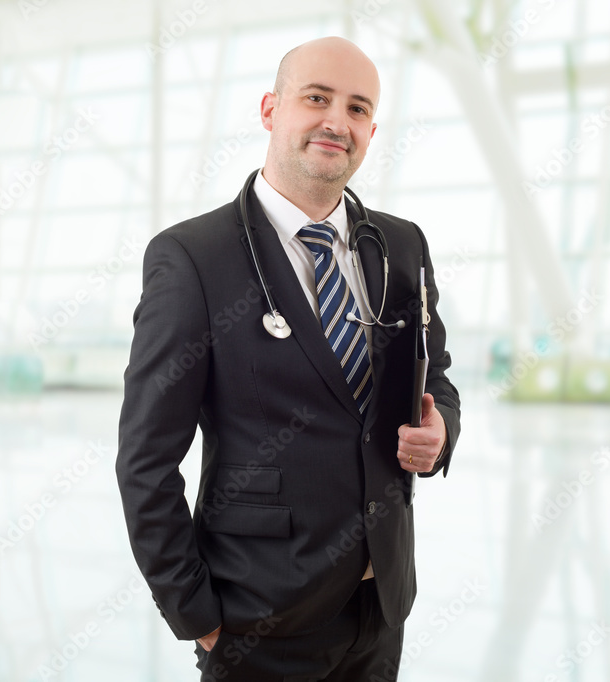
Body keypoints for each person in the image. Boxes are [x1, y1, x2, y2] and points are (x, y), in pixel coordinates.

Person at [116, 36, 460, 681]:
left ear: (372, 130)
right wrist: (196, 613)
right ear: (271, 109)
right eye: (317, 98)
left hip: (380, 606)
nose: (337, 122)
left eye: (358, 108)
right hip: (257, 618)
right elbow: (145, 459)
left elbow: (434, 374)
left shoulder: (401, 244)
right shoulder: (194, 259)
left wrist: (439, 428)